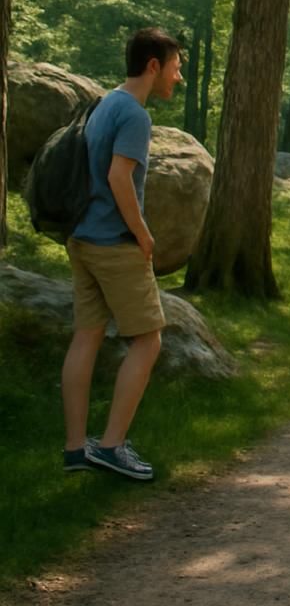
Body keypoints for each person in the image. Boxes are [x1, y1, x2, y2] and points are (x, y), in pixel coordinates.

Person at [61, 27, 183, 481]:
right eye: (175, 65)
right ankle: (112, 446)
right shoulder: (133, 114)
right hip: (114, 243)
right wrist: (144, 235)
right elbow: (118, 178)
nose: (178, 75)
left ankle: (77, 448)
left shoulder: (103, 104)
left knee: (86, 336)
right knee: (148, 340)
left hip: (81, 238)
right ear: (153, 65)